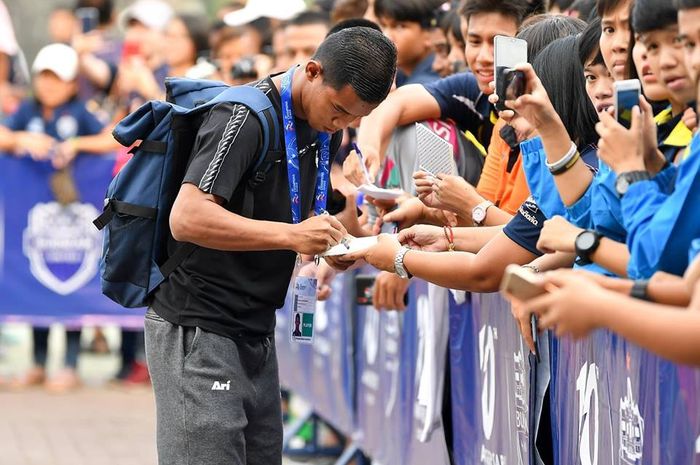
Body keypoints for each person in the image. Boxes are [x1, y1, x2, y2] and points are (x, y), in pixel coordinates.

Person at [144, 26, 396, 465]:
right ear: (313, 71)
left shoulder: (322, 128)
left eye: (354, 119)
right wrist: (291, 237)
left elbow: (320, 218)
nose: (342, 125)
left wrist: (356, 219)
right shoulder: (243, 116)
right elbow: (186, 218)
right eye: (339, 111)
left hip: (257, 331)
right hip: (199, 326)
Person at [0, 43, 105, 392]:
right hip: (34, 219)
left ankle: (71, 364)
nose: (49, 85)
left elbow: (112, 137)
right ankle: (38, 363)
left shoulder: (81, 113)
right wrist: (18, 138)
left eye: (58, 79)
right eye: (44, 77)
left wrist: (77, 145)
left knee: (73, 288)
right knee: (35, 285)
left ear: (73, 83)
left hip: (74, 217)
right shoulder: (25, 111)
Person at [374, 0, 444, 86]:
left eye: (399, 26)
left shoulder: (429, 84)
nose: (386, 36)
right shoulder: (399, 74)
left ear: (430, 33)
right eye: (383, 25)